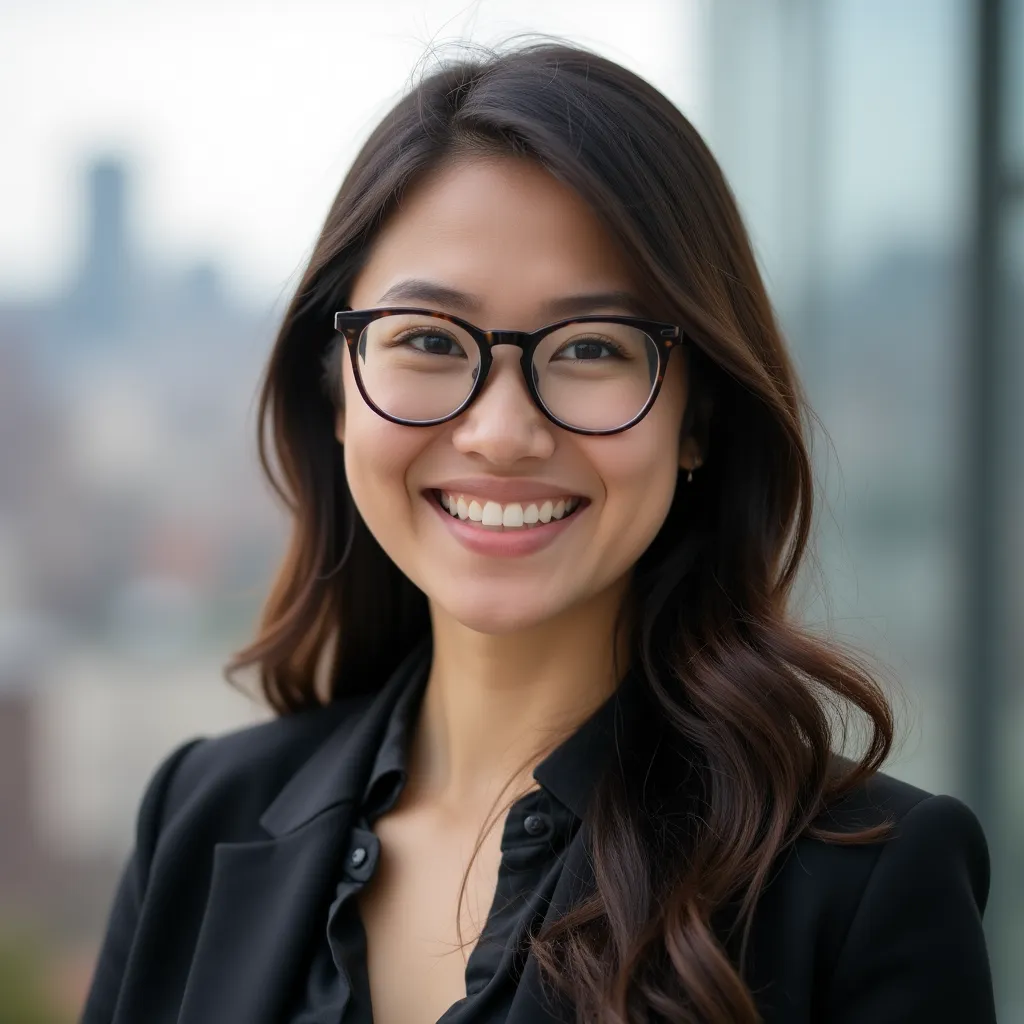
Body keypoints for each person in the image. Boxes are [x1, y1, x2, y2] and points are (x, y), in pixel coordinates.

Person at [79, 41, 996, 1024]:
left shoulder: (858, 886)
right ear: (337, 388)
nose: (502, 434)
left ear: (695, 418)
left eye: (591, 347)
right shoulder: (198, 813)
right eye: (428, 339)